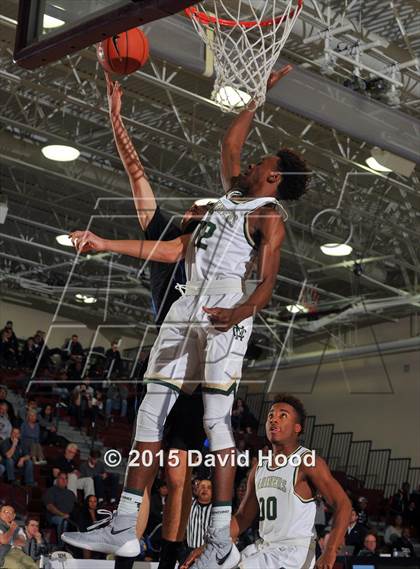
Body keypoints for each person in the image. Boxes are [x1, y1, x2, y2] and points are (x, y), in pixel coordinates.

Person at [64, 64, 309, 562]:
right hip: (186, 302)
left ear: (274, 177)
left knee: (217, 423)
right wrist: (104, 242)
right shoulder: (227, 199)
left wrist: (239, 312)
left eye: (259, 162)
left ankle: (219, 533)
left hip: (224, 307)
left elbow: (266, 284)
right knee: (150, 410)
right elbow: (226, 147)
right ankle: (124, 526)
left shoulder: (267, 216)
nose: (247, 164)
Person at [183, 394, 352, 569]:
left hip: (293, 552)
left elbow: (343, 504)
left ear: (297, 427)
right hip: (264, 547)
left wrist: (330, 550)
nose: (274, 420)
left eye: (282, 415)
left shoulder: (308, 461)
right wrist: (211, 547)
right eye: (271, 415)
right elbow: (242, 518)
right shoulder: (259, 467)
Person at [42, 472, 76, 543]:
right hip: (54, 517)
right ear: (57, 480)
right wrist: (62, 515)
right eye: (62, 478)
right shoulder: (51, 491)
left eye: (66, 478)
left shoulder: (71, 493)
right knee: (63, 521)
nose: (64, 480)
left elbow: (75, 508)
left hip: (69, 517)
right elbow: (49, 507)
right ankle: (61, 546)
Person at [186, 479, 212, 557]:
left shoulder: (217, 509)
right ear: (197, 490)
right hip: (189, 552)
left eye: (209, 487)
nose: (205, 489)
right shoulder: (188, 505)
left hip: (209, 553)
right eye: (202, 486)